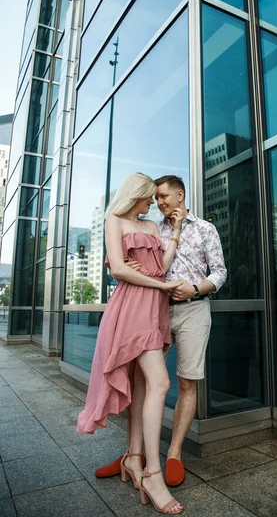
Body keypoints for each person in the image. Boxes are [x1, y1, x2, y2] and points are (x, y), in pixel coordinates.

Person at [96, 175, 227, 487]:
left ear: (180, 195)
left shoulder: (205, 229)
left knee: (186, 383)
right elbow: (123, 260)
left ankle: (174, 454)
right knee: (143, 384)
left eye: (164, 197)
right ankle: (134, 454)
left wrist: (195, 289)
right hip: (154, 312)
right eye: (154, 198)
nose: (158, 203)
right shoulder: (151, 225)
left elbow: (220, 272)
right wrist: (120, 263)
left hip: (194, 311)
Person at [77, 173, 184, 515]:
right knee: (161, 382)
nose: (153, 202)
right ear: (135, 195)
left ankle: (133, 459)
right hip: (132, 307)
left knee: (143, 386)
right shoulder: (114, 220)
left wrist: (176, 235)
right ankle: (153, 474)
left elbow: (161, 268)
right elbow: (120, 271)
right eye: (149, 197)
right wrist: (163, 287)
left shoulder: (152, 227)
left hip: (154, 307)